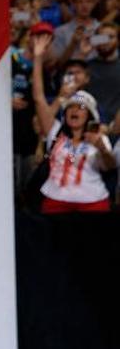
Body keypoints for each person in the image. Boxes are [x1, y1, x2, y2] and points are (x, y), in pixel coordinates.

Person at [33, 32, 115, 213]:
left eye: (81, 108)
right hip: (55, 201)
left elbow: (110, 167)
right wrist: (38, 58)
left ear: (90, 116)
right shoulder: (55, 131)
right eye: (70, 107)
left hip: (93, 203)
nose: (75, 110)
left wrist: (101, 148)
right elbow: (39, 99)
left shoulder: (97, 136)